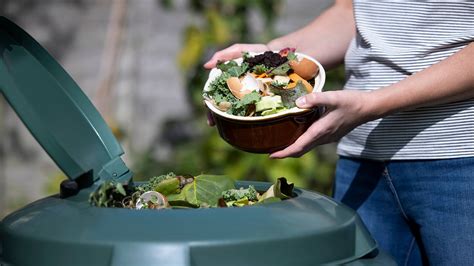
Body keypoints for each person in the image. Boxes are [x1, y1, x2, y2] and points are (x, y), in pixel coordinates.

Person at [204, 1, 474, 265]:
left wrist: (372, 104)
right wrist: (269, 57)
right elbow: (354, 12)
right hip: (362, 164)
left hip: (458, 163)